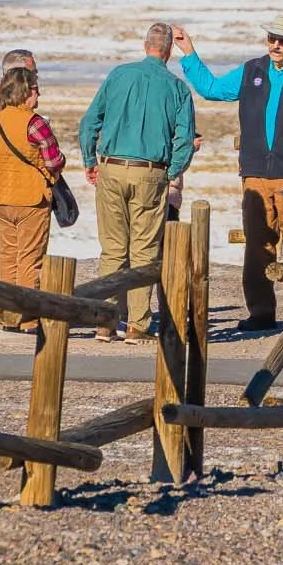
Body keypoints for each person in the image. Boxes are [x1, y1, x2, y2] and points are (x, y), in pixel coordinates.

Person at [171, 14, 283, 332]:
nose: (276, 45)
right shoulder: (252, 71)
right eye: (272, 38)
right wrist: (188, 53)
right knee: (258, 246)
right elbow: (212, 89)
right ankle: (261, 313)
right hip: (255, 176)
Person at [79, 23, 195, 342]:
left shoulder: (119, 75)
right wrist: (171, 172)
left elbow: (90, 122)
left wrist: (90, 161)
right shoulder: (177, 87)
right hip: (150, 171)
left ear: (146, 46)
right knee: (144, 250)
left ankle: (105, 321)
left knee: (113, 249)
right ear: (169, 51)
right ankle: (137, 325)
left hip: (112, 168)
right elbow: (184, 138)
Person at [0, 65, 63, 332]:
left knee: (7, 257)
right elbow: (53, 161)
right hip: (30, 198)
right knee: (29, 259)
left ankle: (9, 315)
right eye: (36, 89)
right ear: (26, 91)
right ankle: (28, 319)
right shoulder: (35, 122)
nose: (38, 95)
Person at [0, 48, 37, 316]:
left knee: (9, 250)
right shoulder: (1, 102)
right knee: (4, 250)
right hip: (9, 184)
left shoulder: (6, 98)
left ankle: (5, 306)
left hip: (3, 183)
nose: (35, 76)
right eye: (32, 70)